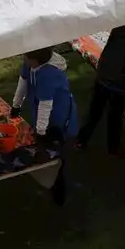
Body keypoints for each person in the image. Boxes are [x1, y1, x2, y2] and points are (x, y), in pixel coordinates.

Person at [77, 19, 125, 156]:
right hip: (119, 82)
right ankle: (114, 148)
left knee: (95, 112)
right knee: (114, 116)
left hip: (104, 74)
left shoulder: (120, 28)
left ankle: (81, 140)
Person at [12, 48, 78, 204]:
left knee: (60, 157)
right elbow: (23, 80)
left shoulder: (48, 75)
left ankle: (59, 192)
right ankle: (48, 177)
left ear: (34, 59)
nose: (23, 56)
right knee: (46, 151)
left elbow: (45, 104)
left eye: (25, 55)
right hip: (45, 117)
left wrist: (41, 132)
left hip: (61, 121)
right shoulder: (30, 64)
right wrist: (16, 104)